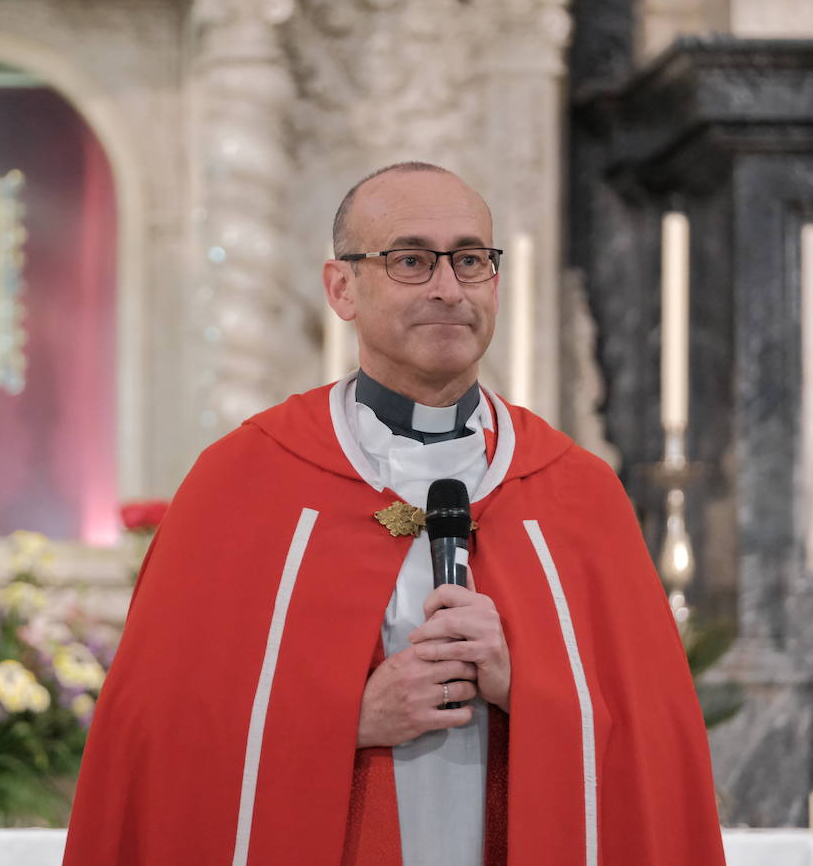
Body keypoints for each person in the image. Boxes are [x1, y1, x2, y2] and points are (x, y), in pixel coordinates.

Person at [62, 163, 726, 865]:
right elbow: (155, 743)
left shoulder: (576, 493)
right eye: (411, 260)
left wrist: (524, 684)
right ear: (341, 288)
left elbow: (659, 750)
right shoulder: (242, 483)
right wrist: (341, 722)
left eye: (470, 260)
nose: (448, 288)